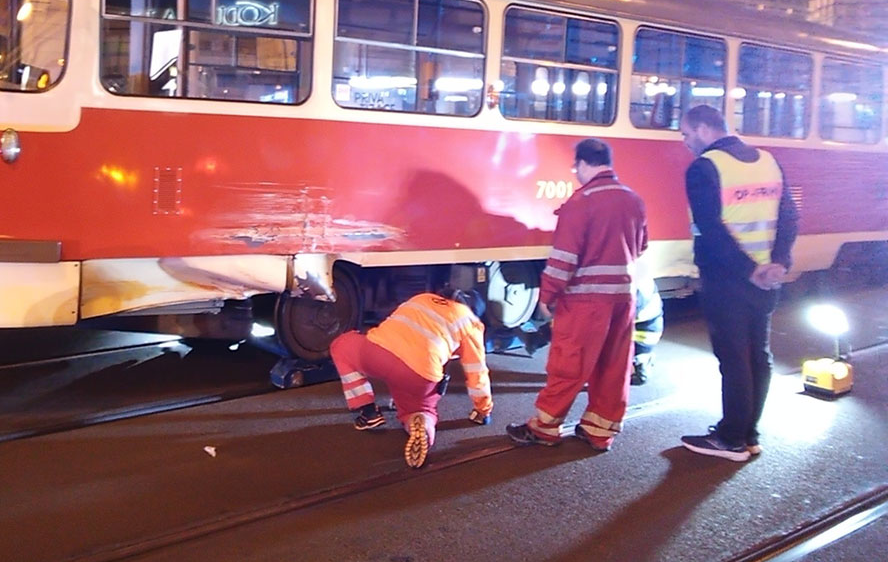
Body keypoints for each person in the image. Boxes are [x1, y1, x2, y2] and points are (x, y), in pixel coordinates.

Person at [507, 138, 648, 452]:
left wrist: (547, 295)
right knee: (613, 365)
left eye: (576, 168)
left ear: (584, 163)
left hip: (586, 301)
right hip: (623, 299)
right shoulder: (633, 199)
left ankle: (544, 427)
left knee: (569, 362)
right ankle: (599, 431)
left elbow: (564, 258)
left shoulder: (581, 202)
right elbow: (642, 246)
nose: (576, 174)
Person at [679, 104, 798, 462]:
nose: (685, 142)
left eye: (685, 134)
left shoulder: (704, 168)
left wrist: (749, 270)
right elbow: (789, 214)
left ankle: (731, 439)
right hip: (765, 278)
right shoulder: (767, 161)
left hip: (726, 278)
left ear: (702, 129)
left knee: (733, 357)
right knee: (758, 355)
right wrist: (777, 262)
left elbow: (712, 230)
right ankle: (749, 433)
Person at [329, 288, 493, 469]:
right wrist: (483, 409)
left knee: (342, 346)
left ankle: (368, 411)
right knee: (420, 409)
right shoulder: (471, 323)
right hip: (418, 374)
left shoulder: (422, 298)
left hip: (377, 353)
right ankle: (421, 421)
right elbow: (477, 371)